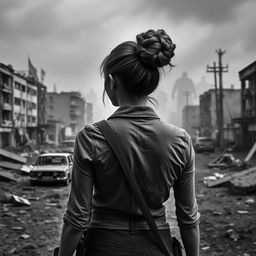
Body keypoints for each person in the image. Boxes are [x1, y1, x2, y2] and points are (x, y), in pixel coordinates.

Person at [58, 29, 200, 256]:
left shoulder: (91, 137)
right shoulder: (181, 141)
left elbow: (77, 219)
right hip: (157, 247)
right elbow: (188, 220)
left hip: (103, 247)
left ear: (112, 82)